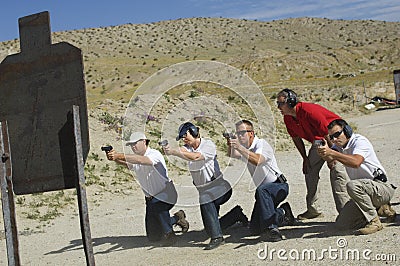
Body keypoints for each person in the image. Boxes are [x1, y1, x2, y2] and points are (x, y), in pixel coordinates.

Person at [163, 122, 248, 250]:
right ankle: (235, 215)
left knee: (205, 198)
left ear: (194, 132)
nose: (184, 139)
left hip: (220, 187)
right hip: (205, 190)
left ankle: (217, 238)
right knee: (210, 227)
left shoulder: (208, 145)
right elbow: (183, 151)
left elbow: (197, 157)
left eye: (185, 135)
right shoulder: (187, 148)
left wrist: (174, 152)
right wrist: (171, 150)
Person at [276, 88, 350, 220]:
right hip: (319, 141)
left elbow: (327, 132)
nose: (278, 107)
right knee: (309, 170)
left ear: (291, 101)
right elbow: (296, 138)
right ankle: (313, 209)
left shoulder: (309, 111)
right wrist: (305, 159)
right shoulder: (288, 118)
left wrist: (332, 155)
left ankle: (345, 213)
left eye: (281, 103)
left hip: (336, 139)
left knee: (336, 171)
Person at [105, 132, 189, 246]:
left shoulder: (154, 154)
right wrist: (114, 158)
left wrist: (118, 155)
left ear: (144, 142)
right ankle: (176, 218)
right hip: (150, 199)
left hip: (166, 193)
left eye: (135, 143)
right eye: (131, 145)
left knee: (158, 205)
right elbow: (129, 164)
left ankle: (170, 235)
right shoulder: (136, 159)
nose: (133, 146)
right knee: (153, 236)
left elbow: (142, 161)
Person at [317, 119, 396, 234]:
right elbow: (330, 158)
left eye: (337, 134)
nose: (334, 139)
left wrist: (332, 153)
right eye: (331, 137)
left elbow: (356, 162)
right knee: (342, 224)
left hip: (381, 187)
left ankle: (375, 222)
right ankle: (381, 209)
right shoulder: (340, 146)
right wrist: (324, 152)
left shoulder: (360, 141)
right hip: (365, 191)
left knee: (352, 185)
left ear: (347, 131)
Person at [226, 120, 295, 242]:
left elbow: (258, 160)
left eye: (242, 133)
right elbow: (232, 154)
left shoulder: (262, 144)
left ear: (251, 133)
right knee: (255, 228)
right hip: (263, 194)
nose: (239, 136)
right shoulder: (246, 149)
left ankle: (272, 229)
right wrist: (230, 143)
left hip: (278, 186)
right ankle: (283, 212)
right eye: (237, 133)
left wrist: (239, 147)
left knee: (262, 191)